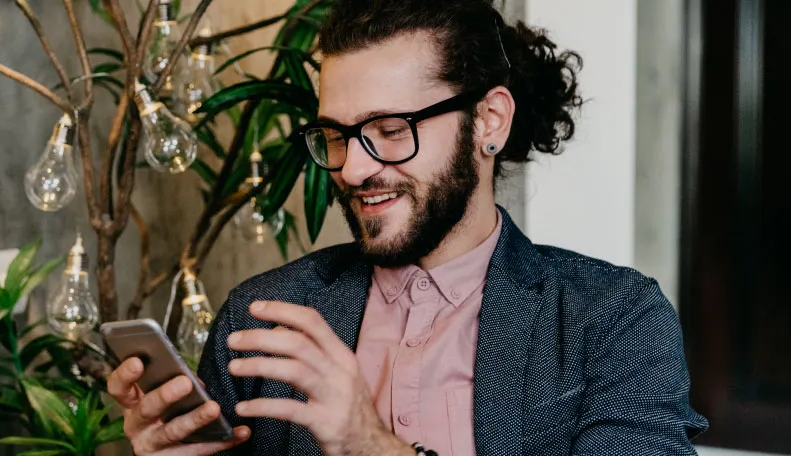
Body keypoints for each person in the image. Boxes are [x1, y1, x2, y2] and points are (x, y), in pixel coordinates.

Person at [107, 0, 709, 454]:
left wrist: (371, 444)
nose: (355, 168)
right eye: (337, 136)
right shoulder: (264, 314)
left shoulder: (615, 319)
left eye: (392, 130)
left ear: (488, 121)